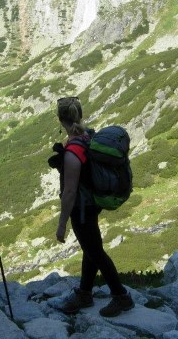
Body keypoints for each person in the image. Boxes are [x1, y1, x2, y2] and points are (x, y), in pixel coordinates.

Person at [52, 96, 134, 317]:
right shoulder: (88, 137)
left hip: (81, 209)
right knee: (91, 248)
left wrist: (61, 225)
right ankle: (85, 293)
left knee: (95, 252)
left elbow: (69, 193)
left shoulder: (72, 152)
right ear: (79, 115)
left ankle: (121, 296)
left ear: (61, 120)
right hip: (92, 204)